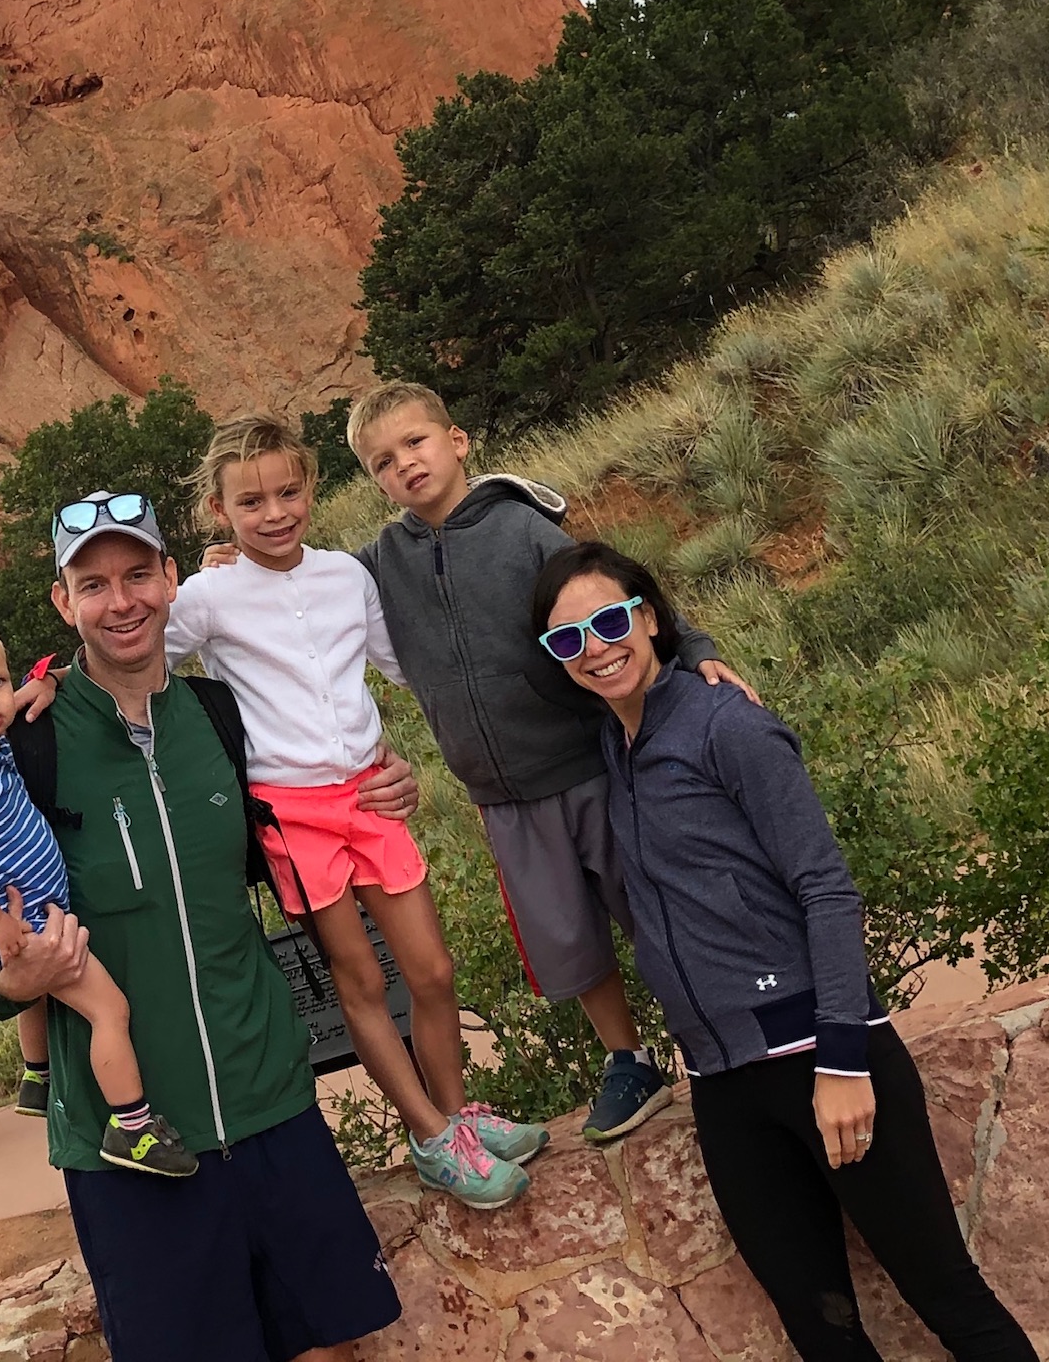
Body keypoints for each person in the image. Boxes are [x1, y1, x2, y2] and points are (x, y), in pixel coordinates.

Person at [532, 541, 1034, 1362]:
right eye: (566, 639)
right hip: (723, 1085)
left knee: (947, 1296)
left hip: (822, 1054)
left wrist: (841, 1061)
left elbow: (826, 889)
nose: (594, 647)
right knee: (820, 1329)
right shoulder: (611, 753)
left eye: (610, 620)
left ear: (650, 619)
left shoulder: (728, 726)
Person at [0, 488, 405, 1362]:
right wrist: (22, 978)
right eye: (93, 585)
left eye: (135, 576)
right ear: (62, 602)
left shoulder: (223, 716)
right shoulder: (23, 750)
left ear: (170, 579)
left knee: (334, 1345)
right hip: (130, 1148)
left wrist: (394, 783)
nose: (119, 602)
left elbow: (335, 777)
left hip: (269, 1100)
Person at [340, 379, 745, 1142]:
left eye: (416, 443)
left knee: (653, 906)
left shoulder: (522, 530)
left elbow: (611, 590)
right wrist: (235, 570)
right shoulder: (378, 563)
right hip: (502, 795)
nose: (405, 465)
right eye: (382, 462)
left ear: (456, 441)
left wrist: (693, 649)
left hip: (590, 764)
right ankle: (628, 1060)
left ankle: (716, 1033)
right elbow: (309, 596)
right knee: (567, 939)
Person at [165, 411, 543, 1207]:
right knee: (362, 980)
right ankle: (431, 1138)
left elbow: (405, 668)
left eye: (288, 492)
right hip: (290, 813)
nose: (274, 514)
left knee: (432, 971)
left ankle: (457, 1116)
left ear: (310, 486)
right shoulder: (205, 597)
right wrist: (44, 684)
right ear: (219, 511)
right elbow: (136, 656)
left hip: (371, 791)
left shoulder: (347, 576)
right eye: (251, 502)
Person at [0, 613, 197, 1179]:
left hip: (25, 917)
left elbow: (30, 694)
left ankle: (36, 1074)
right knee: (109, 1009)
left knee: (39, 999)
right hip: (18, 925)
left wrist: (46, 680)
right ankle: (131, 1128)